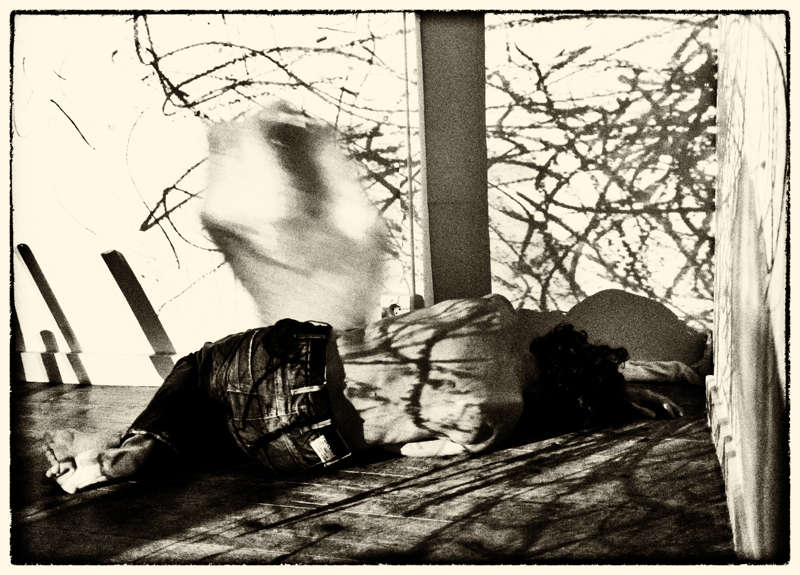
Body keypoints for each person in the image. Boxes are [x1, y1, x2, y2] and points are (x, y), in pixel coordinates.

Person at [41, 104, 700, 494]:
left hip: (293, 361)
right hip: (307, 444)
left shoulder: (491, 313)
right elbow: (413, 452)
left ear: (557, 334)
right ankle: (138, 452)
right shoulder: (497, 419)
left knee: (199, 369)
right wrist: (628, 392)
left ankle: (136, 444)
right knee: (220, 440)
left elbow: (410, 323)